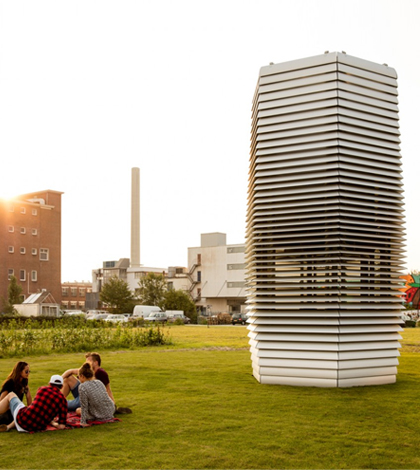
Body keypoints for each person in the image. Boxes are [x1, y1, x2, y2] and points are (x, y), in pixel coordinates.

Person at [0, 375, 67, 432]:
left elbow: (34, 408)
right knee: (28, 412)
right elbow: (61, 426)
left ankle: (8, 426)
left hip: (22, 420)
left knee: (11, 395)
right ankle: (8, 427)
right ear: (61, 387)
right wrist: (53, 423)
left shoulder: (42, 389)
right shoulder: (63, 400)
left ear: (49, 383)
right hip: (36, 428)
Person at [0, 361, 32, 431]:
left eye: (29, 371)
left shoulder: (24, 381)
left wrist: (27, 391)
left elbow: (29, 402)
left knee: (24, 415)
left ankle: (8, 427)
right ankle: (8, 426)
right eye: (26, 372)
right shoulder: (10, 383)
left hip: (15, 410)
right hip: (6, 412)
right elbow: (1, 401)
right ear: (20, 372)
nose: (28, 374)